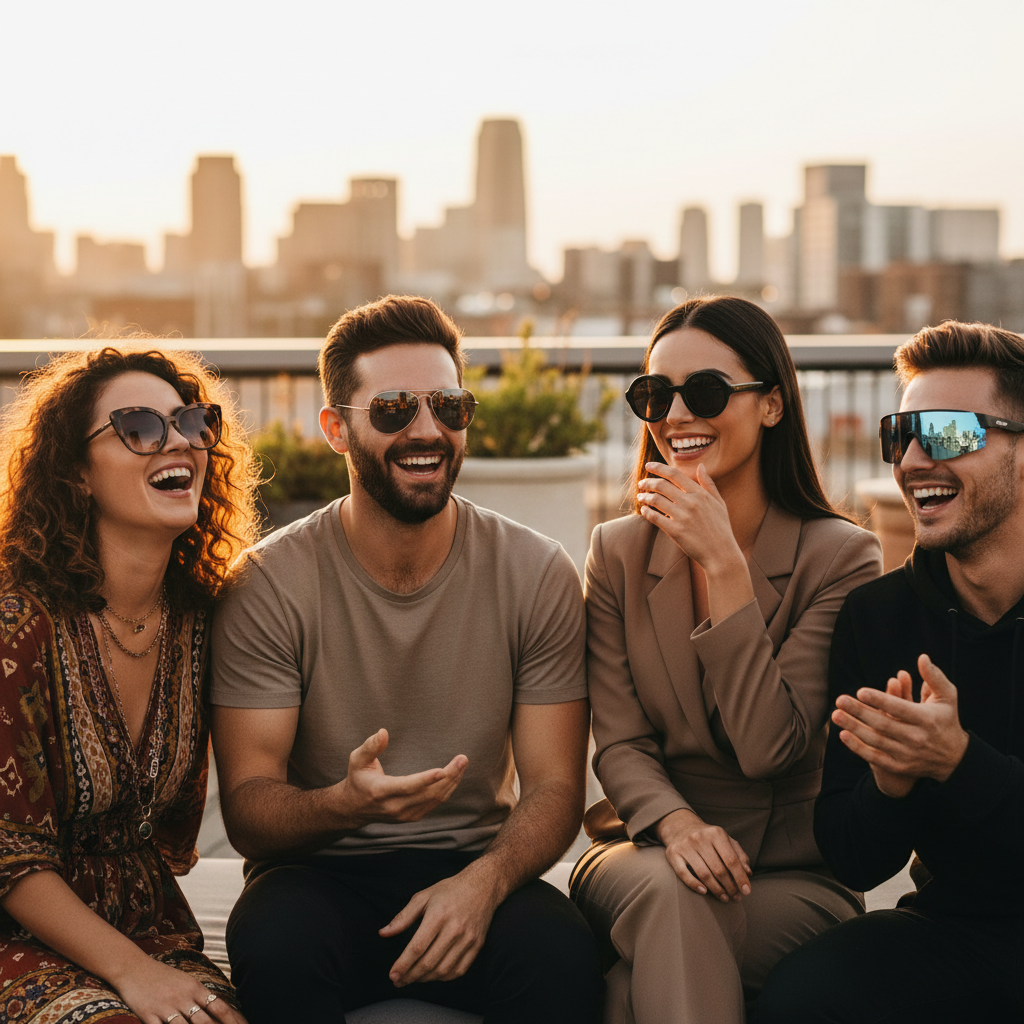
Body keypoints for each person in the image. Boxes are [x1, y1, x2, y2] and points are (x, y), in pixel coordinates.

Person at [209, 295, 604, 1024]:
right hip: (315, 875)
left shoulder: (535, 571)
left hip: (478, 867)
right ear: (336, 428)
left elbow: (553, 789)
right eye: (393, 409)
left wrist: (484, 885)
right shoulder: (268, 583)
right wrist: (343, 804)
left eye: (449, 407)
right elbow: (249, 810)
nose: (428, 431)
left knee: (564, 959)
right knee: (275, 941)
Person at [568, 295, 883, 1023]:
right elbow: (619, 742)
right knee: (674, 899)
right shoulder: (617, 554)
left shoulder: (842, 559)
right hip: (643, 851)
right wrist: (678, 827)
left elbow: (771, 746)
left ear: (771, 405)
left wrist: (726, 570)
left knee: (627, 990)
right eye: (654, 394)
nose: (676, 414)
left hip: (789, 874)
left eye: (705, 391)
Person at [756, 321, 1024, 1023]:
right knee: (800, 1001)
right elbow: (852, 858)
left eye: (944, 435)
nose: (909, 461)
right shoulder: (880, 616)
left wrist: (960, 761)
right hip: (953, 928)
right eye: (899, 435)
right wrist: (891, 783)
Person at [0, 345, 260, 1024]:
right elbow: (9, 857)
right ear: (78, 474)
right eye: (139, 428)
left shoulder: (202, 619)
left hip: (151, 929)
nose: (177, 442)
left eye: (191, 424)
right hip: (16, 934)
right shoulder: (17, 622)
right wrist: (132, 976)